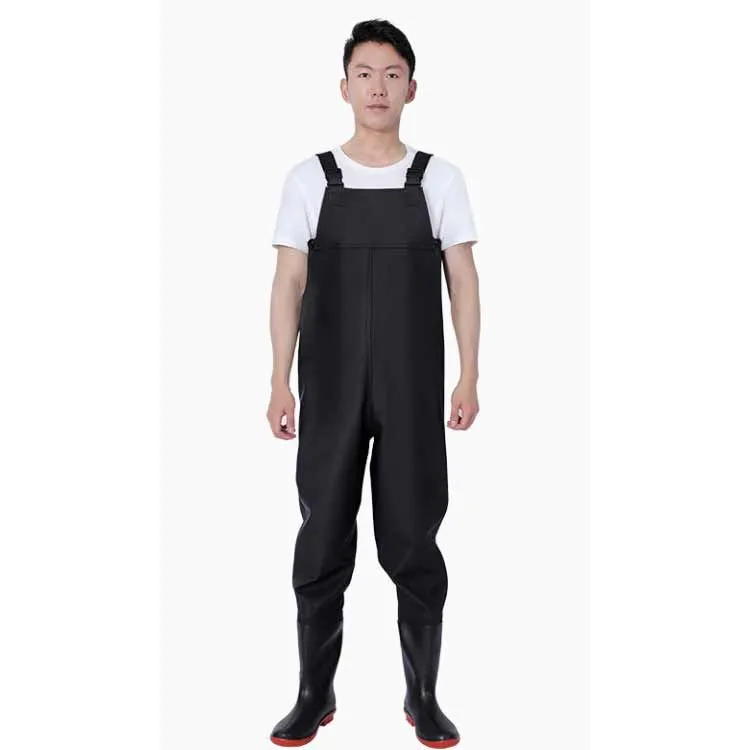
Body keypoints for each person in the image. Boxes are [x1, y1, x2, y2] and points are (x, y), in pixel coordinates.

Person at [266, 18, 480, 749]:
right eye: (365, 74)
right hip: (328, 389)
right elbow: (288, 282)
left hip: (413, 389)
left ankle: (423, 694)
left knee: (413, 538)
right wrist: (278, 379)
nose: (378, 87)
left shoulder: (439, 179)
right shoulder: (309, 179)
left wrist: (469, 373)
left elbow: (463, 281)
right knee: (322, 535)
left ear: (412, 88)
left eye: (392, 75)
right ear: (344, 87)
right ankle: (313, 691)